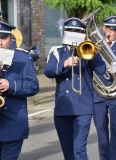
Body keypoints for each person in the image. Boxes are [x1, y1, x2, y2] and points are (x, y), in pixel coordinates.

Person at [44, 17, 106, 160]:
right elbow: (48, 71)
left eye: (78, 32)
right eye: (71, 31)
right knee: (68, 152)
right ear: (65, 33)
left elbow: (101, 70)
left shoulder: (88, 51)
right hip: (62, 109)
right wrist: (65, 63)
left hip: (83, 108)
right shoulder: (57, 52)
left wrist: (92, 54)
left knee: (79, 150)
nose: (74, 34)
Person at [0, 21, 39, 160]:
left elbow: (33, 86)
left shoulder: (23, 58)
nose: (0, 43)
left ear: (11, 38)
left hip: (14, 121)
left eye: (4, 38)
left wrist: (11, 85)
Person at [93, 15, 116, 160]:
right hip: (98, 95)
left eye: (115, 30)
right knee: (101, 132)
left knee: (115, 131)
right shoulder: (95, 46)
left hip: (115, 96)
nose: (113, 32)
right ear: (103, 28)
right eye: (110, 29)